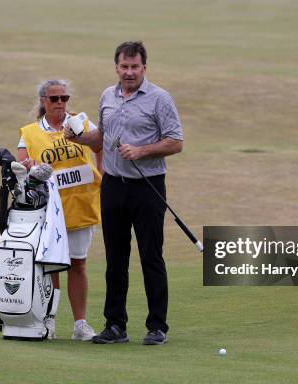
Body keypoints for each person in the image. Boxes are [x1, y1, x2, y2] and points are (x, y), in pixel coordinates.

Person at [64, 41, 183, 345]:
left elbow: (175, 141)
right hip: (114, 185)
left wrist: (142, 150)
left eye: (135, 67)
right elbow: (101, 138)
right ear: (116, 67)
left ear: (144, 67)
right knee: (116, 259)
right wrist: (78, 138)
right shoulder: (108, 96)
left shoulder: (160, 99)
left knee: (150, 256)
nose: (129, 72)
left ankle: (157, 327)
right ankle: (115, 325)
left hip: (148, 187)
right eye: (124, 67)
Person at [17, 79, 102, 341]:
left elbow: (101, 145)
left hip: (81, 206)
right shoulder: (31, 132)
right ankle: (49, 320)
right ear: (43, 101)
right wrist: (29, 166)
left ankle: (80, 324)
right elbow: (21, 164)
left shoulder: (82, 124)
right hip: (49, 210)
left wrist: (104, 173)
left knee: (78, 264)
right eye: (54, 99)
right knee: (50, 266)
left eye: (64, 98)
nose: (60, 103)